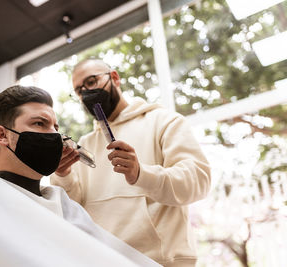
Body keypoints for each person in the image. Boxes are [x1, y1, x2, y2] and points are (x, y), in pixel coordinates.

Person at [0, 86, 161, 267]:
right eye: (39, 123)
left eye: (55, 126)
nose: (55, 135)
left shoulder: (62, 206)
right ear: (2, 135)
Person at [51, 59, 211, 267]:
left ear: (114, 78)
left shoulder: (164, 122)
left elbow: (198, 182)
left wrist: (140, 174)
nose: (87, 92)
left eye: (91, 82)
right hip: (104, 261)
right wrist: (63, 175)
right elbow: (72, 210)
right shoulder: (85, 144)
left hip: (160, 261)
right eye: (79, 90)